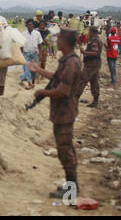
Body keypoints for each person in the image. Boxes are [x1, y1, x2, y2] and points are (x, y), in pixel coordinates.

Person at [27, 28, 82, 199]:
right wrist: (38, 70)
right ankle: (71, 185)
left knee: (66, 151)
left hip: (65, 112)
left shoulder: (71, 62)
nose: (56, 42)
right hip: (62, 112)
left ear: (65, 42)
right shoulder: (67, 61)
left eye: (59, 40)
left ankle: (72, 190)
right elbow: (57, 78)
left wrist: (43, 93)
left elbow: (62, 90)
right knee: (64, 149)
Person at [76, 26, 103, 107]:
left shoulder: (94, 40)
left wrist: (84, 52)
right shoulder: (97, 40)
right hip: (95, 63)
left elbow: (95, 52)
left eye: (89, 32)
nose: (88, 33)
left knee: (82, 80)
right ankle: (95, 101)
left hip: (92, 64)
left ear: (92, 32)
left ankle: (75, 98)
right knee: (94, 82)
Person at [20, 19, 43, 89]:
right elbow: (21, 45)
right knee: (27, 68)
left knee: (34, 69)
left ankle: (26, 79)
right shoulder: (23, 34)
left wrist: (40, 53)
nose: (30, 26)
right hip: (26, 53)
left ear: (33, 25)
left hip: (34, 53)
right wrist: (21, 54)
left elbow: (40, 44)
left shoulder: (37, 34)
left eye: (31, 24)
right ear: (26, 25)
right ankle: (29, 83)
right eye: (28, 25)